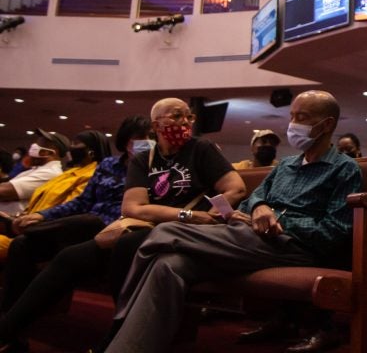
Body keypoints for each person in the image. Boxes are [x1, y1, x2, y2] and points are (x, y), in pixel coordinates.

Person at [102, 90, 361, 353]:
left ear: (327, 124)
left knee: (167, 231)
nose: (292, 124)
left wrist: (278, 221)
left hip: (292, 245)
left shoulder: (345, 169)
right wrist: (259, 207)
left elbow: (336, 230)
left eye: (301, 117)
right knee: (168, 264)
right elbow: (253, 199)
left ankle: (120, 314)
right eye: (292, 116)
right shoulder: (286, 165)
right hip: (252, 237)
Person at [0, 100, 245, 353]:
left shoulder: (200, 148)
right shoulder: (143, 159)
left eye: (188, 117)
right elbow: (133, 208)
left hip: (176, 233)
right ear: (156, 124)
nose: (183, 123)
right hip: (150, 225)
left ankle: (116, 338)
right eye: (175, 116)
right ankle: (7, 331)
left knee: (126, 246)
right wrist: (188, 214)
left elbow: (235, 187)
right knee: (69, 257)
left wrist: (210, 215)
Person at [0, 117, 149, 321]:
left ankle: (28, 228)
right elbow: (81, 202)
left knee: (89, 222)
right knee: (21, 245)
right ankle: (8, 320)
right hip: (79, 228)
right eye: (141, 138)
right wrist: (41, 215)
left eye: (152, 138)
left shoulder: (154, 170)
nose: (148, 142)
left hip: (113, 231)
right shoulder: (108, 164)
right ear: (125, 141)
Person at [0, 130, 112, 260]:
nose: (72, 148)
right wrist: (18, 217)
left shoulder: (92, 175)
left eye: (76, 144)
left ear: (91, 151)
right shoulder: (68, 173)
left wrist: (36, 220)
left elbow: (72, 209)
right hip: (27, 225)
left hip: (43, 232)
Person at [0, 130, 70, 216]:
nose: (33, 147)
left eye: (39, 145)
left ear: (50, 152)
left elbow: (3, 192)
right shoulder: (36, 170)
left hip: (10, 224)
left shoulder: (50, 173)